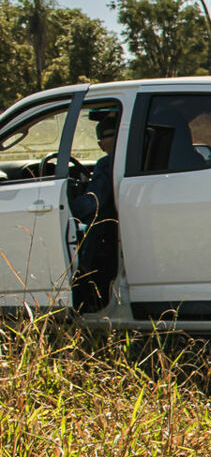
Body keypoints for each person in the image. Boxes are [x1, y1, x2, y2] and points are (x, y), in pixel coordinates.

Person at [72, 110, 121, 313]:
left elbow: (93, 204)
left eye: (102, 138)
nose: (100, 144)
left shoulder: (107, 163)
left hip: (106, 239)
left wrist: (72, 205)